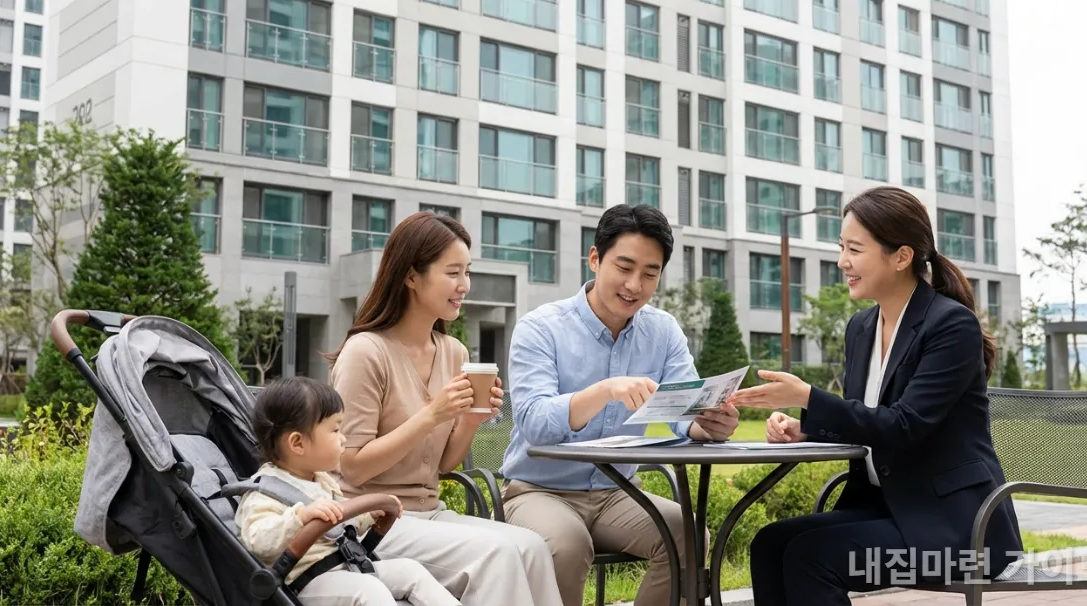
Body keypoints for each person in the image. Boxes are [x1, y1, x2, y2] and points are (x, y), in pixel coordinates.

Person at [729, 186, 1023, 605]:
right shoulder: (861, 327)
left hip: (957, 535)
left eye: (855, 249)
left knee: (811, 556)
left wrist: (810, 398)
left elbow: (904, 425)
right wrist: (805, 428)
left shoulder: (952, 326)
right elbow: (866, 421)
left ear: (901, 256)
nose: (842, 261)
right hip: (891, 510)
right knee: (770, 544)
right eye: (842, 247)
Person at [500, 204, 741, 606]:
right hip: (538, 491)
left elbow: (683, 411)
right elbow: (535, 423)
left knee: (689, 535)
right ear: (595, 258)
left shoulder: (662, 331)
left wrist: (707, 423)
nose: (635, 285)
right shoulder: (540, 328)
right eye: (624, 267)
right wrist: (605, 390)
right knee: (567, 543)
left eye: (650, 273)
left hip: (618, 492)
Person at [326, 211, 563, 606]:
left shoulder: (454, 353)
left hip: (430, 513)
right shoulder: (366, 352)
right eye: (453, 273)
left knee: (532, 548)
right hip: (372, 520)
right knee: (498, 554)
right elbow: (351, 465)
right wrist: (433, 414)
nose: (464, 285)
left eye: (467, 272)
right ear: (411, 276)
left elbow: (443, 467)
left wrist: (471, 420)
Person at [237, 376, 460, 606]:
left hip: (343, 566)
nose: (343, 439)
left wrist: (369, 515)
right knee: (369, 590)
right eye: (335, 430)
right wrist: (299, 518)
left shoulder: (320, 480)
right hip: (304, 582)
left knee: (410, 570)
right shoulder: (264, 492)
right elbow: (259, 540)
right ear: (298, 443)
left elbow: (340, 523)